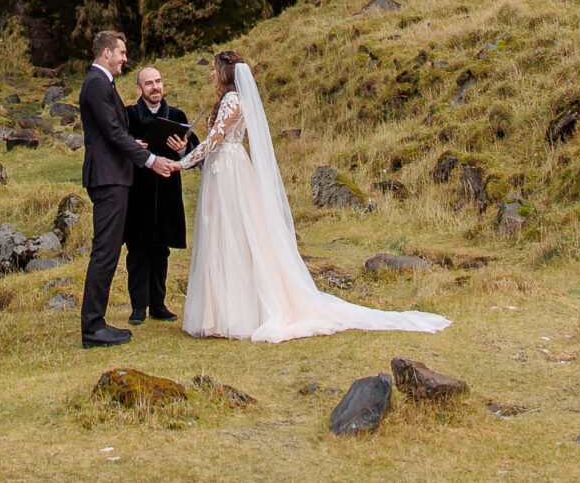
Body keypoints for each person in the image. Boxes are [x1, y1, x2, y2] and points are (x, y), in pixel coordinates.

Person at [175, 50, 449, 343]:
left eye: (214, 69)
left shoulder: (232, 100)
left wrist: (182, 162)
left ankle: (233, 313)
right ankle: (224, 311)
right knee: (226, 233)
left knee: (230, 233)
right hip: (225, 168)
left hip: (228, 169)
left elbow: (216, 139)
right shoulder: (231, 100)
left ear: (225, 73)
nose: (211, 74)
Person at [76, 29, 177, 348]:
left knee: (107, 251)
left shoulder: (102, 84)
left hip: (113, 175)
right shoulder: (95, 83)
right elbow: (113, 133)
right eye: (121, 52)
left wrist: (131, 143)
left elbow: (113, 132)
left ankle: (97, 322)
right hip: (108, 177)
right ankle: (92, 327)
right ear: (106, 53)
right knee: (104, 252)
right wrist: (149, 160)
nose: (125, 58)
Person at [124, 66, 192, 324]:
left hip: (166, 191)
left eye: (158, 81)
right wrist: (133, 148)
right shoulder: (129, 116)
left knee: (161, 250)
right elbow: (119, 145)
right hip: (137, 192)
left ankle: (158, 305)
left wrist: (184, 149)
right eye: (149, 83)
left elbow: (192, 153)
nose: (155, 87)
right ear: (139, 89)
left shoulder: (176, 115)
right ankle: (138, 307)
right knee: (138, 250)